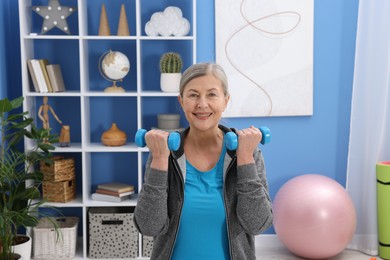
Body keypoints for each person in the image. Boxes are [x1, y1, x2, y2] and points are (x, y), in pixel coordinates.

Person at [133, 63, 273, 260]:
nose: (202, 104)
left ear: (226, 101)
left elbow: (257, 224)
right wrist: (159, 159)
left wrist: (245, 159)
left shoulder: (248, 152)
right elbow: (148, 226)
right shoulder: (164, 152)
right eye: (193, 95)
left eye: (212, 94)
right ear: (181, 102)